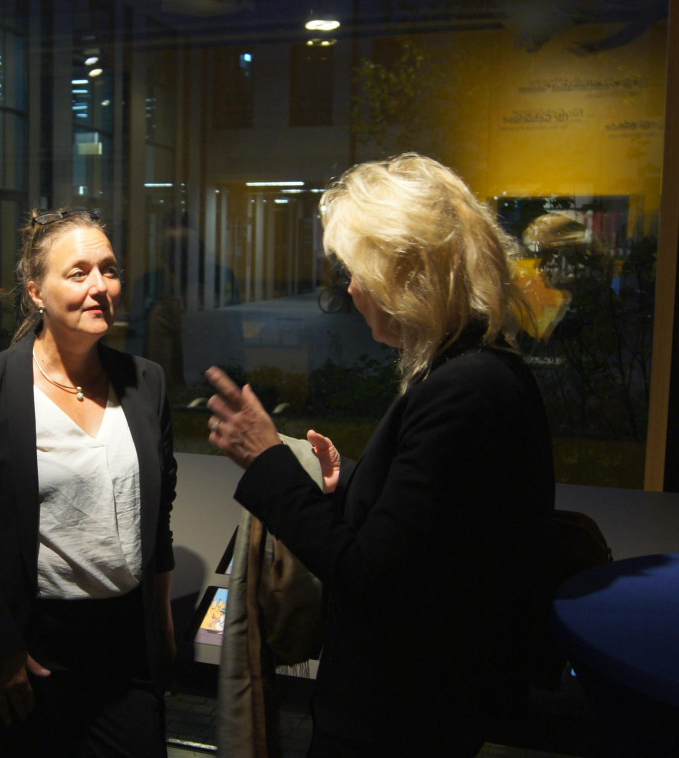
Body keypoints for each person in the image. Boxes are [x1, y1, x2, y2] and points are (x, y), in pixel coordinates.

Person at [205, 153, 555, 757]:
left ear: (403, 270)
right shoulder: (480, 372)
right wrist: (354, 483)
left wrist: (268, 460)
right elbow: (431, 537)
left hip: (399, 718)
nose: (350, 288)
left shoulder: (463, 391)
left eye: (355, 269)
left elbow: (372, 577)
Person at [0, 208, 177, 757]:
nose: (99, 286)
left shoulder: (145, 382)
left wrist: (161, 629)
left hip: (127, 649)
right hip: (34, 650)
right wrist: (0, 646)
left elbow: (158, 517)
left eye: (109, 270)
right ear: (36, 291)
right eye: (78, 272)